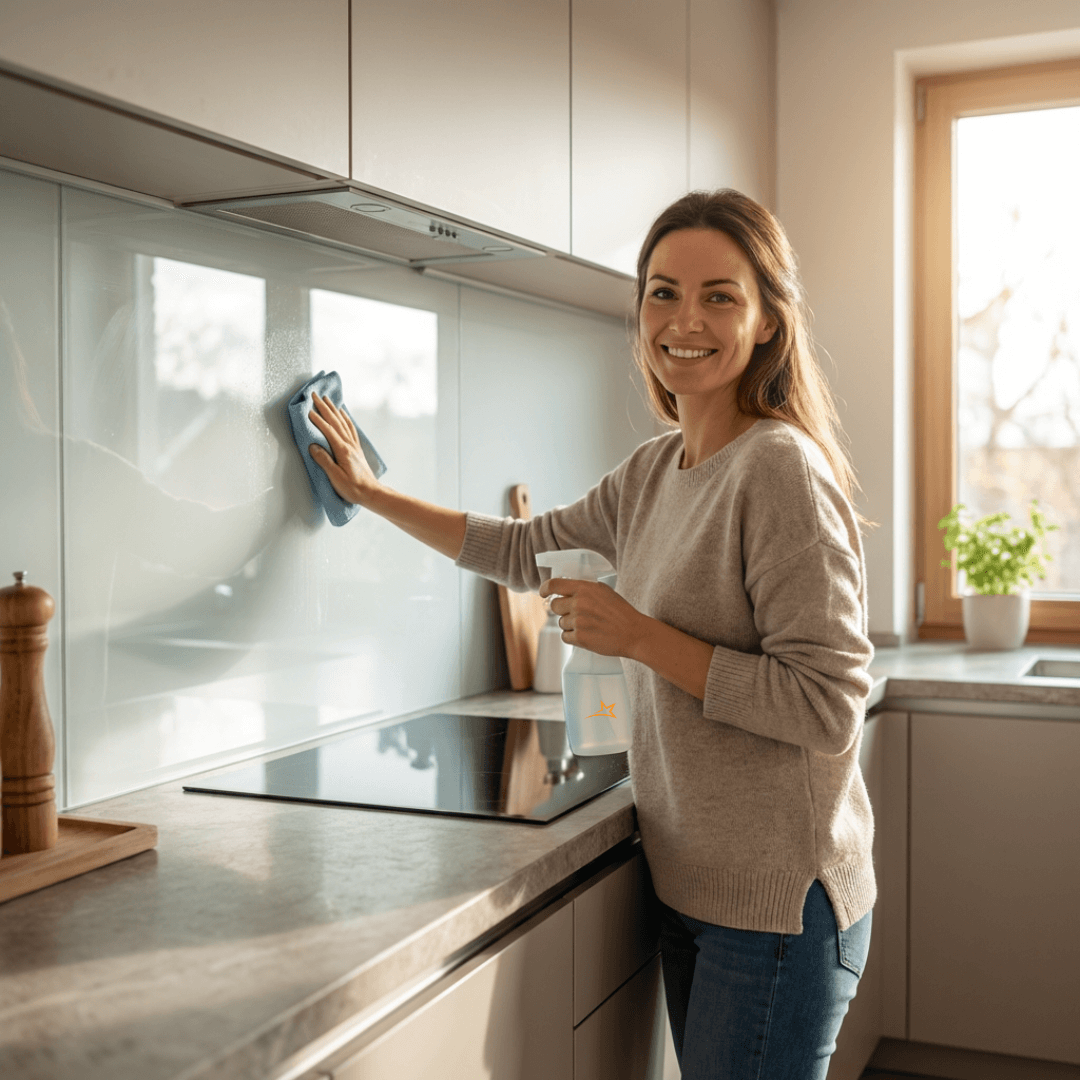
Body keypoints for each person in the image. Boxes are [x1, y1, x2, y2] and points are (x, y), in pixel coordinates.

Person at [308, 188, 875, 1080]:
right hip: (690, 884)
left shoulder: (780, 471)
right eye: (662, 291)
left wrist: (641, 637)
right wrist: (371, 493)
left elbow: (827, 705)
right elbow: (524, 548)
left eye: (719, 295)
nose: (685, 319)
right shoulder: (657, 468)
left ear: (768, 321)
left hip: (776, 909)